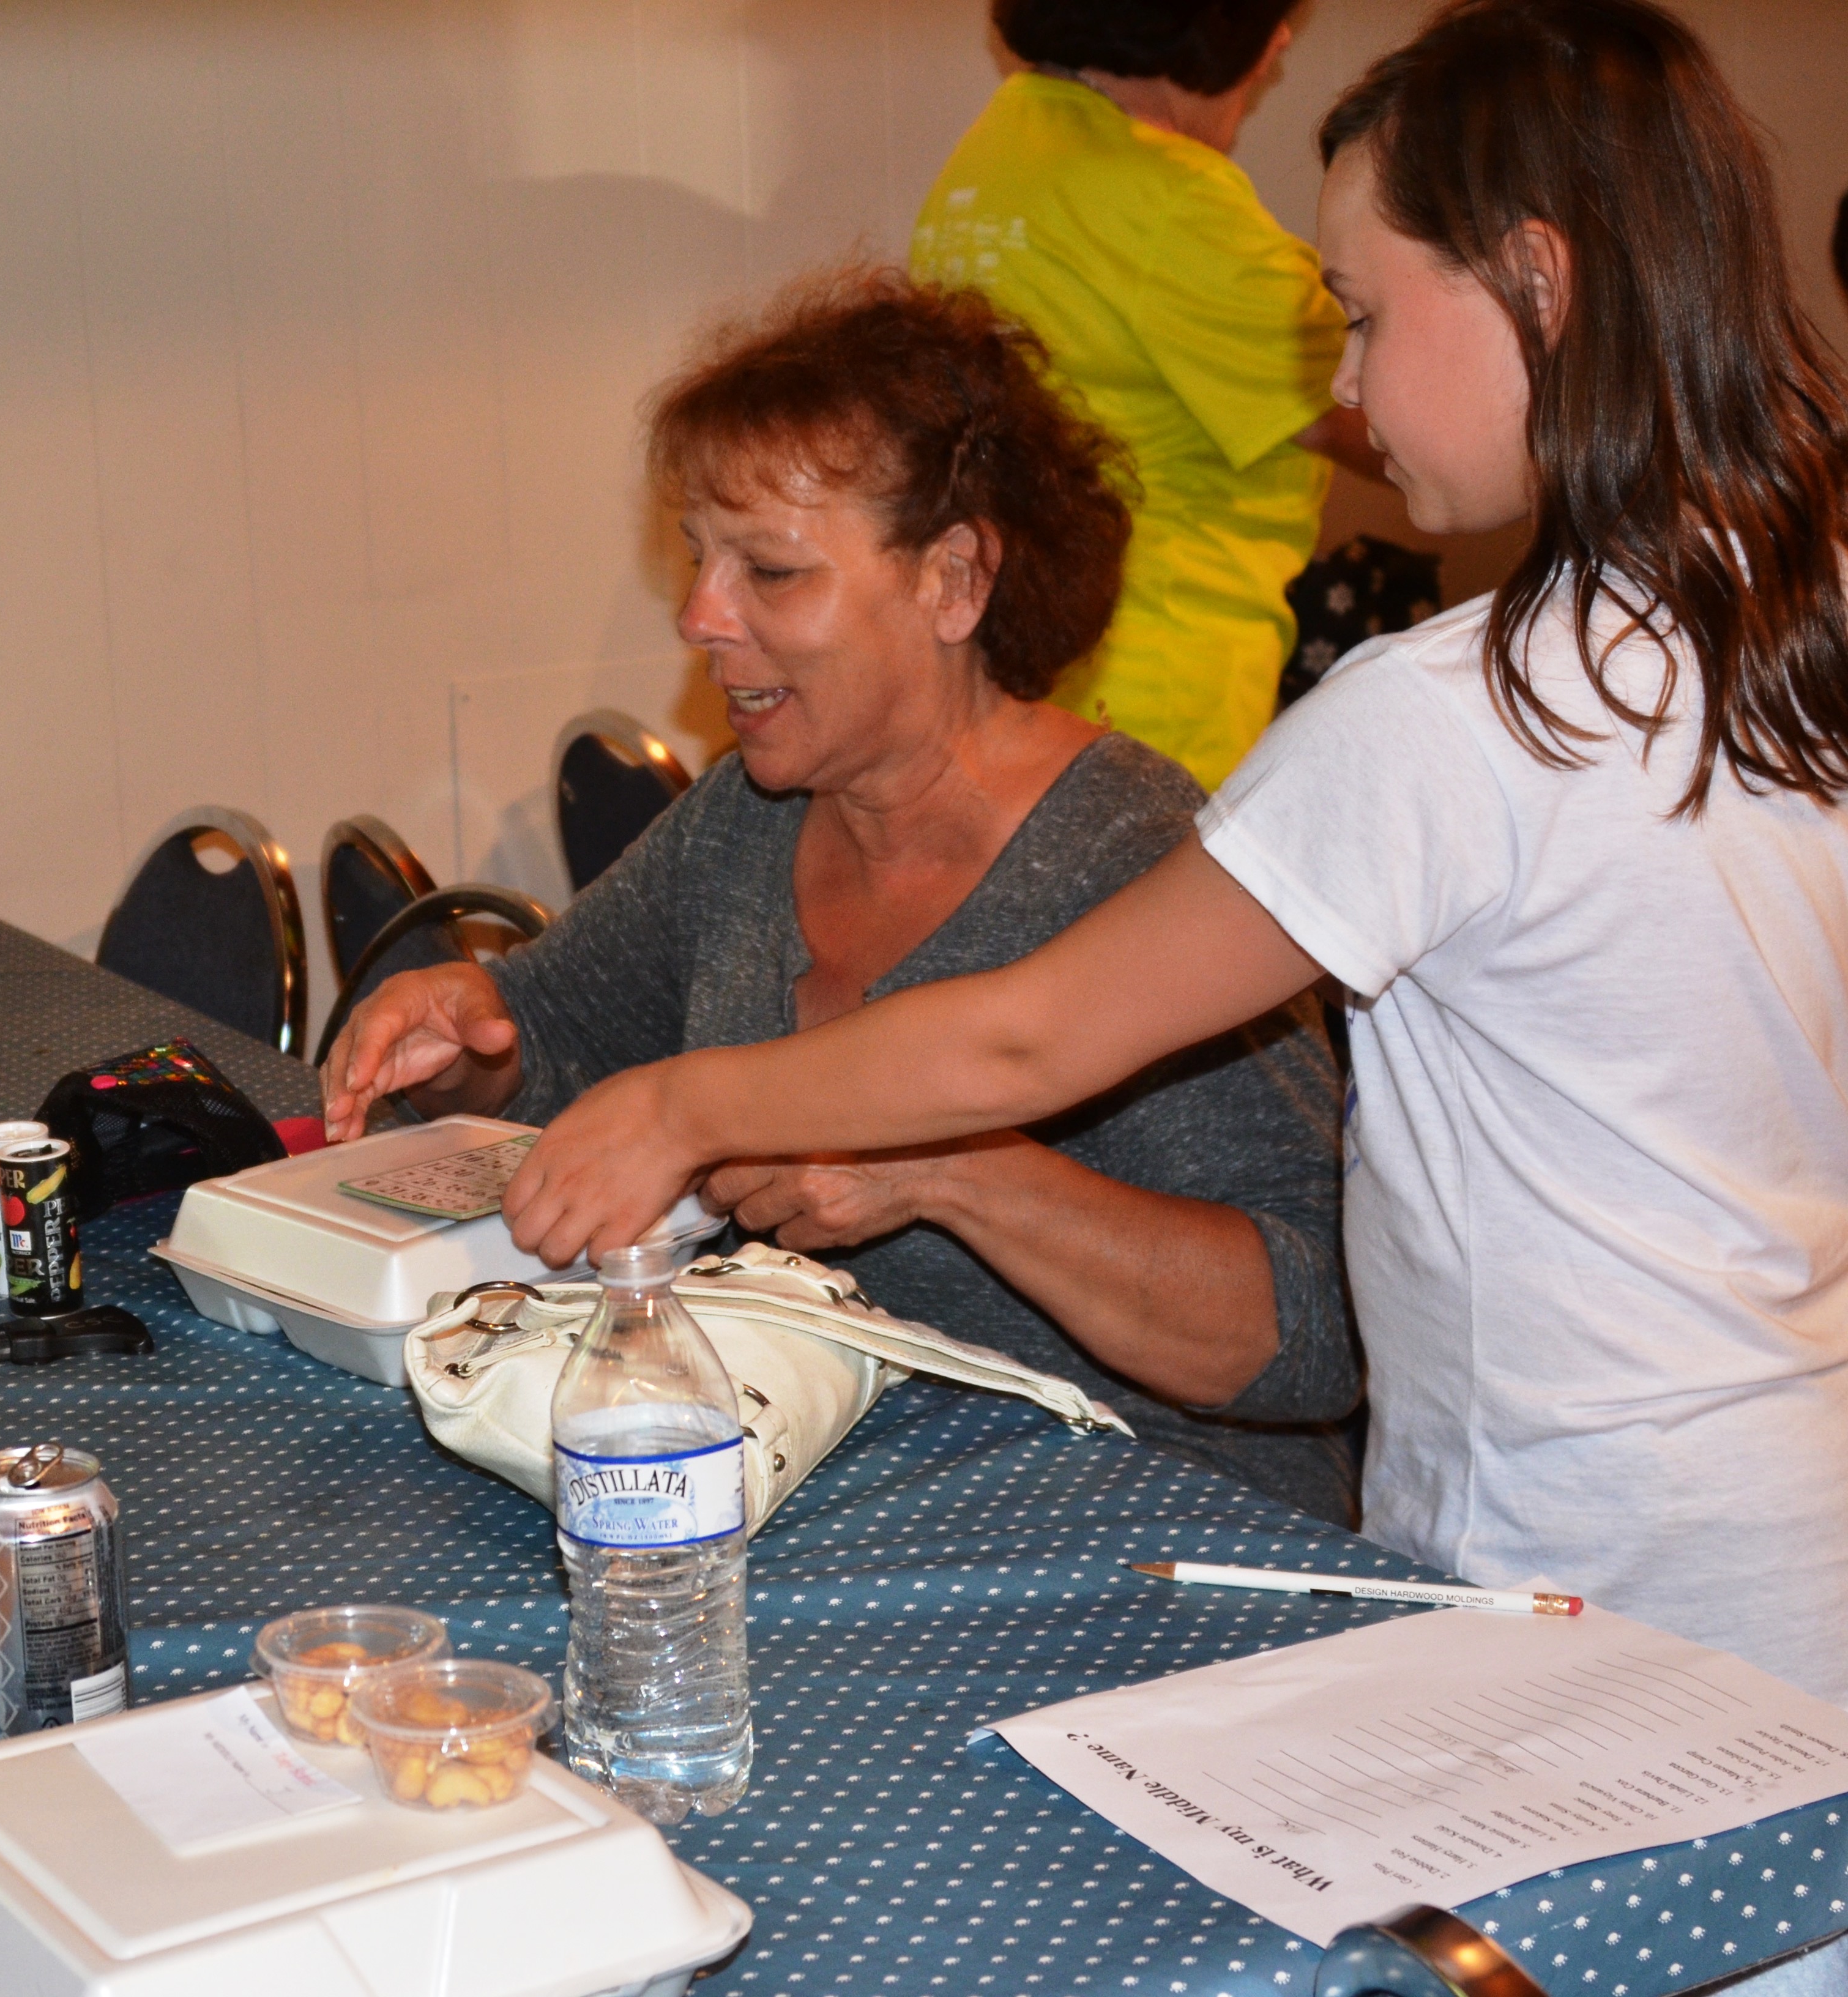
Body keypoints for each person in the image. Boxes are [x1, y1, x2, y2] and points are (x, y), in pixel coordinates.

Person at [504, 0, 1848, 1731]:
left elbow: (1022, 1037)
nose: (1342, 387)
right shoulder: (1798, 614)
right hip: (1792, 1510)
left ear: (1536, 281)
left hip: (1581, 1552)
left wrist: (689, 1103)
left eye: (1362, 317)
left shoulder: (1451, 716)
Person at [322, 272, 1360, 1523]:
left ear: (954, 582)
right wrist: (473, 1045)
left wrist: (951, 1167)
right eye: (699, 560)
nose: (699, 616)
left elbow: (1312, 1328)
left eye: (770, 570)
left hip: (1140, 1540)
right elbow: (559, 1035)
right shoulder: (750, 817)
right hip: (848, 1511)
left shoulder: (1131, 857)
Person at [914, 0, 1388, 790]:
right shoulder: (1172, 204)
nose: (1278, 40)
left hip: (1021, 686)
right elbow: (1389, 413)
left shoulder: (992, 154)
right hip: (1160, 702)